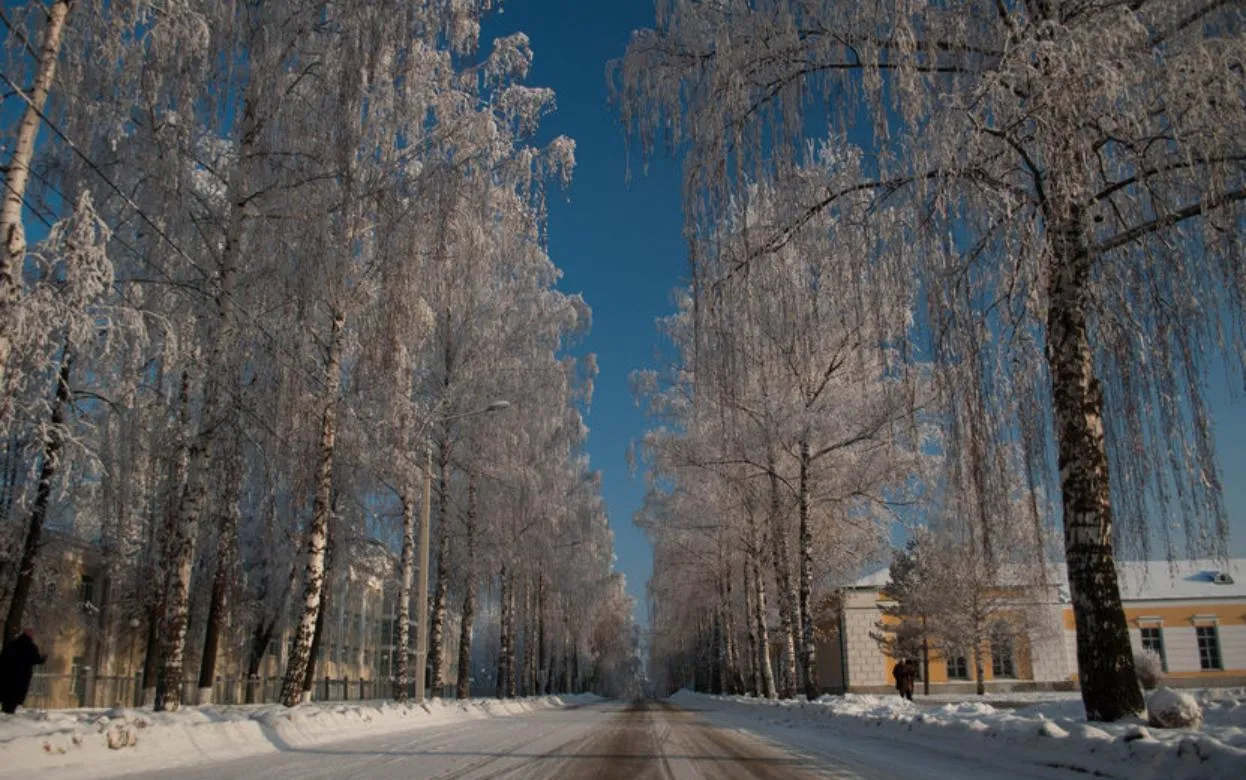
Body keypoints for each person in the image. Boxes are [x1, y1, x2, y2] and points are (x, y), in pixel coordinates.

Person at [0, 629, 47, 714]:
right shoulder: (30, 647)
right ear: (29, 634)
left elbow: (3, 658)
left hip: (7, 677)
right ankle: (8, 715)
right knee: (13, 700)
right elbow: (35, 659)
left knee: (7, 698)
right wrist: (43, 659)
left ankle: (5, 713)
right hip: (21, 678)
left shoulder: (12, 644)